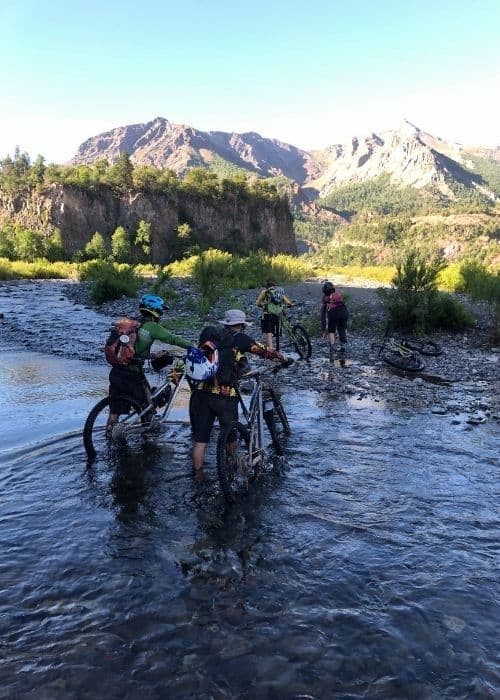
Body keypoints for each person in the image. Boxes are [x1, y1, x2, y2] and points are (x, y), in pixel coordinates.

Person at [189, 308, 292, 474]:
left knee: (200, 442)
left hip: (200, 393)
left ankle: (198, 478)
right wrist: (284, 359)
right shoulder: (240, 339)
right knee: (230, 436)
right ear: (242, 325)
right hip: (225, 396)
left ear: (226, 323)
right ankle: (231, 469)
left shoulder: (211, 338)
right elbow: (264, 350)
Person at [107, 293, 193, 428]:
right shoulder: (152, 327)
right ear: (156, 311)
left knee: (115, 410)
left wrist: (152, 355)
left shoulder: (132, 324)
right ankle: (148, 441)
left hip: (116, 372)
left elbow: (134, 348)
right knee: (147, 408)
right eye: (161, 312)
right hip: (134, 374)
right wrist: (193, 347)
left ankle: (110, 432)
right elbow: (173, 339)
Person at [256, 279, 294, 350]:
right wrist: (290, 304)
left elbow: (258, 303)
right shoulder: (279, 292)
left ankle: (271, 348)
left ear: (267, 286)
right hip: (277, 315)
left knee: (269, 331)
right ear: (274, 286)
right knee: (274, 330)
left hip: (267, 314)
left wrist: (263, 305)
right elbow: (287, 301)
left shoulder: (265, 292)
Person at [320, 281, 349, 361]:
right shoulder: (338, 295)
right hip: (344, 311)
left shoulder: (325, 299)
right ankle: (343, 346)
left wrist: (323, 327)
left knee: (331, 331)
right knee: (342, 329)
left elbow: (323, 314)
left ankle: (332, 348)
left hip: (334, 312)